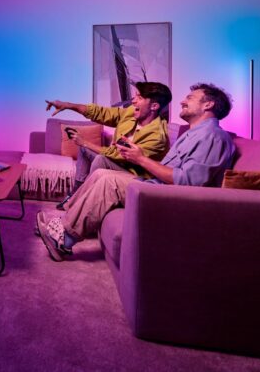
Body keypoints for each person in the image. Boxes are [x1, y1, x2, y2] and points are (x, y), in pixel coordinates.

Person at [37, 83, 236, 262]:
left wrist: (140, 158)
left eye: (190, 98)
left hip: (171, 196)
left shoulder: (212, 137)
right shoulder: (194, 134)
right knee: (101, 174)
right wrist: (69, 105)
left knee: (109, 182)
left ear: (208, 104)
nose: (182, 101)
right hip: (158, 187)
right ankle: (65, 221)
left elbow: (187, 182)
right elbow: (101, 113)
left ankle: (64, 239)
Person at [46, 82, 173, 210]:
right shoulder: (131, 112)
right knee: (85, 150)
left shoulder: (157, 136)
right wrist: (68, 105)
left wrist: (85, 142)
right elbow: (103, 113)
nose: (133, 101)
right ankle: (75, 194)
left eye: (139, 97)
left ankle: (80, 203)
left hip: (134, 174)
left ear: (154, 106)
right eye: (135, 96)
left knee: (101, 159)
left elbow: (120, 155)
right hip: (120, 164)